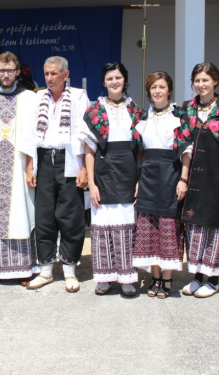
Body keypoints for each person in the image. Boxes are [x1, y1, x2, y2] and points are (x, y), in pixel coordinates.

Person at [79, 62, 145, 296]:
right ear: (104, 82)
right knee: (103, 224)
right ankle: (104, 277)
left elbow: (142, 150)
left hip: (128, 171)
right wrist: (92, 183)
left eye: (118, 77)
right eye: (110, 78)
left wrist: (139, 179)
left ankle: (127, 276)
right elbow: (89, 150)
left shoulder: (136, 110)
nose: (114, 82)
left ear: (125, 80)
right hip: (103, 171)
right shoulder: (94, 111)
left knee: (126, 223)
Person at [180, 63, 219, 298]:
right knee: (195, 226)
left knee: (215, 226)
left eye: (206, 80)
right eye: (197, 80)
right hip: (196, 175)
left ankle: (214, 279)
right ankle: (197, 276)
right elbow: (185, 146)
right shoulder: (187, 109)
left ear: (216, 81)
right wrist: (183, 178)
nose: (201, 84)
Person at [26, 56, 89, 293]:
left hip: (69, 158)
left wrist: (83, 167)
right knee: (44, 216)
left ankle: (70, 270)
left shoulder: (79, 96)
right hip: (44, 158)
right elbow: (30, 133)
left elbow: (85, 132)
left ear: (65, 74)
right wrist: (30, 166)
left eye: (54, 74)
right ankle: (45, 270)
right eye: (46, 73)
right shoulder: (37, 97)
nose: (49, 78)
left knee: (70, 216)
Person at [0, 51, 39, 286]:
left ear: (18, 71)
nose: (6, 75)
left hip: (21, 166)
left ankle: (25, 269)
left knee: (23, 214)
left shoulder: (30, 98)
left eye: (10, 70)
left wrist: (31, 167)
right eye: (1, 71)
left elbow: (35, 135)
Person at [132, 71, 191, 298]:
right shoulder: (143, 120)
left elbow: (186, 152)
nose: (157, 91)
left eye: (162, 87)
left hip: (170, 173)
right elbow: (141, 154)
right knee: (149, 227)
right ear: (149, 92)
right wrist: (138, 181)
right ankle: (155, 276)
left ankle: (167, 278)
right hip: (148, 176)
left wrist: (183, 179)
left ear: (169, 90)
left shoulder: (179, 118)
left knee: (168, 226)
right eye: (153, 87)